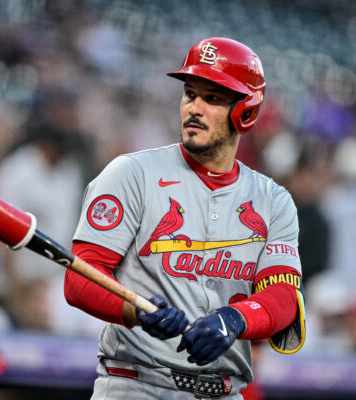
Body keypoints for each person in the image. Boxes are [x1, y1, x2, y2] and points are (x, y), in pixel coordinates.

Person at [64, 37, 305, 399]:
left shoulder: (273, 201)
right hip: (136, 384)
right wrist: (134, 308)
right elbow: (80, 278)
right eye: (190, 93)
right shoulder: (132, 174)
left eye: (213, 98)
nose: (195, 107)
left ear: (246, 110)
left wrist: (236, 319)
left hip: (225, 391)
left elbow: (284, 295)